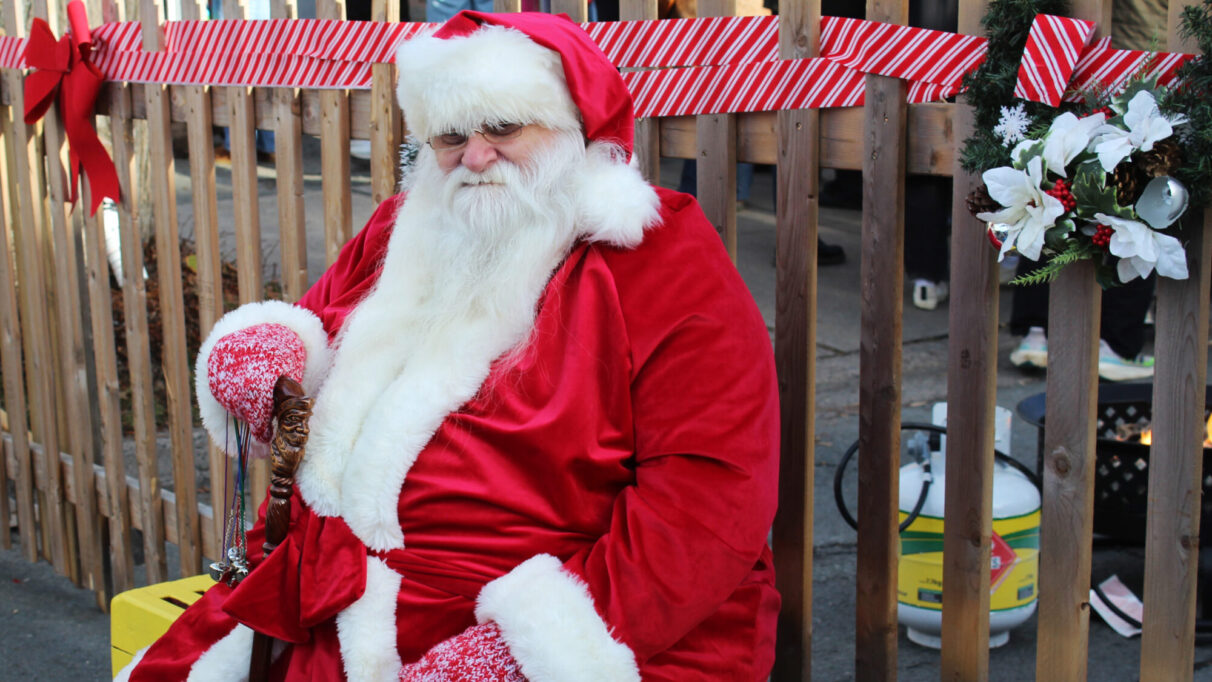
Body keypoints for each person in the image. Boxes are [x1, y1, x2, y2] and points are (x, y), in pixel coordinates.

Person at [117, 11, 780, 682]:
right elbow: (319, 326)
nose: (475, 155)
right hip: (333, 591)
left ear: (575, 130)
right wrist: (265, 356)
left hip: (559, 624)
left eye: (503, 128)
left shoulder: (656, 257)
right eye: (451, 135)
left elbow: (711, 496)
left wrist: (518, 652)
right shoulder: (405, 226)